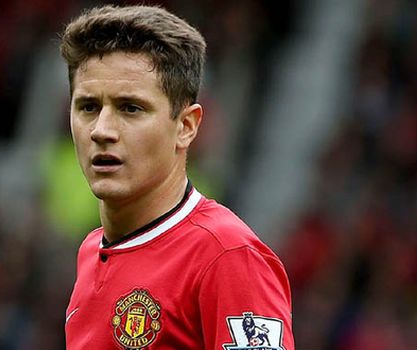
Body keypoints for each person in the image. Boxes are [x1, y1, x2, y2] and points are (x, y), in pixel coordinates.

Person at [60, 5, 294, 350]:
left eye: (130, 108)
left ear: (186, 127)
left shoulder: (227, 257)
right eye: (88, 107)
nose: (102, 130)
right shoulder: (91, 252)